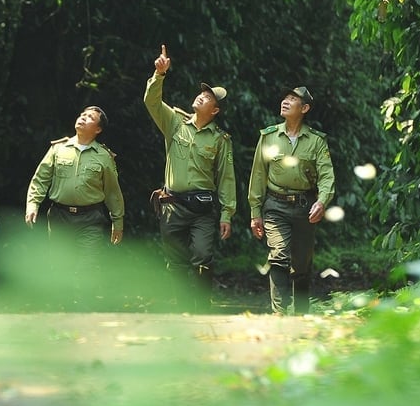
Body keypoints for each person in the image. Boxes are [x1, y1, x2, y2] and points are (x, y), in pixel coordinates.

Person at [143, 45, 236, 308]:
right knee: (176, 261)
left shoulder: (220, 140)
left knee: (203, 256)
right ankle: (181, 306)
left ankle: (201, 306)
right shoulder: (174, 122)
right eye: (202, 94)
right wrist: (159, 74)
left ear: (215, 111)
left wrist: (227, 213)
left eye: (208, 98)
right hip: (172, 205)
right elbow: (151, 102)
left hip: (203, 209)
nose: (201, 97)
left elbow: (226, 178)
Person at [25, 106, 125, 307]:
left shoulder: (104, 156)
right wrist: (33, 204)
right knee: (60, 264)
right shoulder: (58, 149)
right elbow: (40, 179)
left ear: (97, 129)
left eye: (89, 118)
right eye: (82, 115)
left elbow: (113, 192)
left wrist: (118, 221)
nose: (82, 118)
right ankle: (64, 306)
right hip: (60, 216)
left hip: (90, 219)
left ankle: (84, 308)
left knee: (88, 264)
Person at [247, 85, 335, 315]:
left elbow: (327, 176)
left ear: (304, 108)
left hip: (305, 206)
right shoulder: (268, 137)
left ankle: (301, 314)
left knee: (302, 266)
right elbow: (258, 175)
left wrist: (322, 201)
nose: (285, 101)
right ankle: (280, 312)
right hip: (275, 205)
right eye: (285, 97)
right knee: (278, 256)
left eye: (293, 99)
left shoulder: (316, 141)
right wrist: (255, 213)